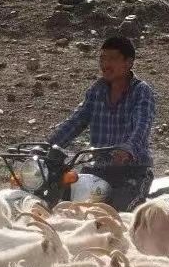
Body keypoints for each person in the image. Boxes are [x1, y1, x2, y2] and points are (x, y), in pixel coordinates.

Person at [48, 35, 157, 210]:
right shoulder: (96, 90)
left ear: (128, 62)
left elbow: (141, 127)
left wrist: (127, 149)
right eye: (102, 58)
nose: (105, 64)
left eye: (112, 59)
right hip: (98, 169)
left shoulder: (141, 91)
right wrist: (48, 146)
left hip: (132, 171)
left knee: (120, 213)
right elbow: (76, 121)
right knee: (64, 203)